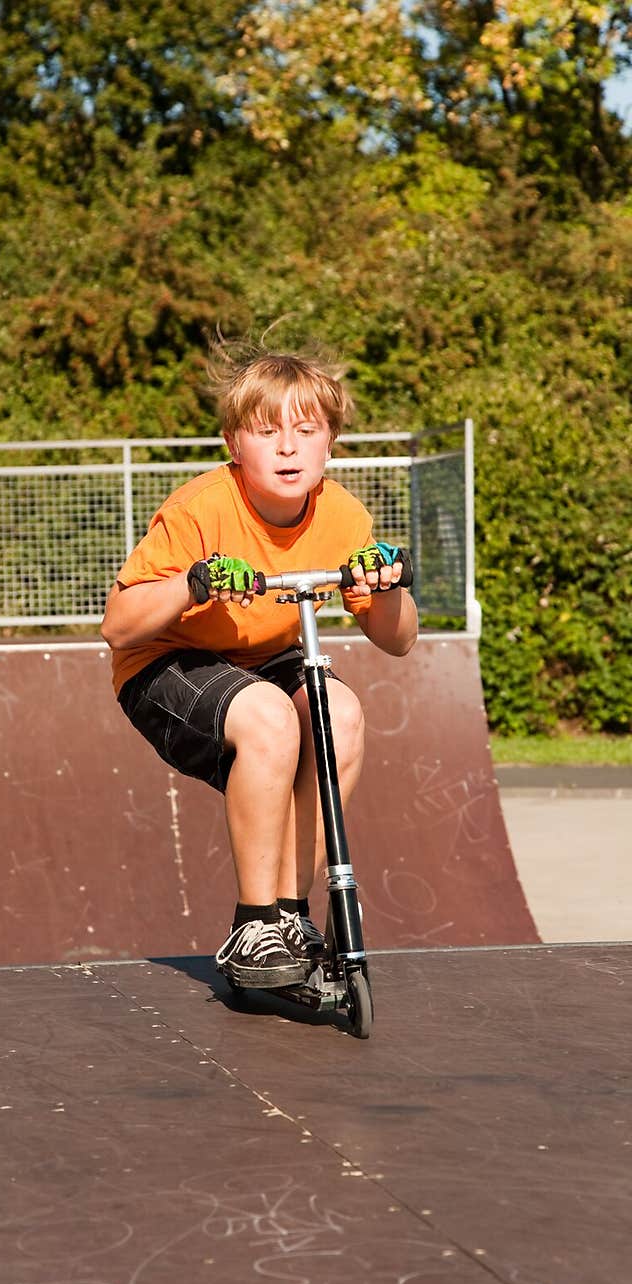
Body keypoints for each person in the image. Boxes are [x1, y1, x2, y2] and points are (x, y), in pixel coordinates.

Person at [100, 333, 418, 991]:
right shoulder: (202, 508)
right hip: (167, 662)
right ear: (232, 445)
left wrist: (386, 589)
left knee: (341, 713)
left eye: (306, 430)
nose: (287, 446)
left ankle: (291, 915)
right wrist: (195, 582)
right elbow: (118, 626)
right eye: (266, 430)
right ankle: (253, 926)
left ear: (331, 443)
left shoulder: (343, 516)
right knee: (272, 716)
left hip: (265, 662)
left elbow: (399, 639)